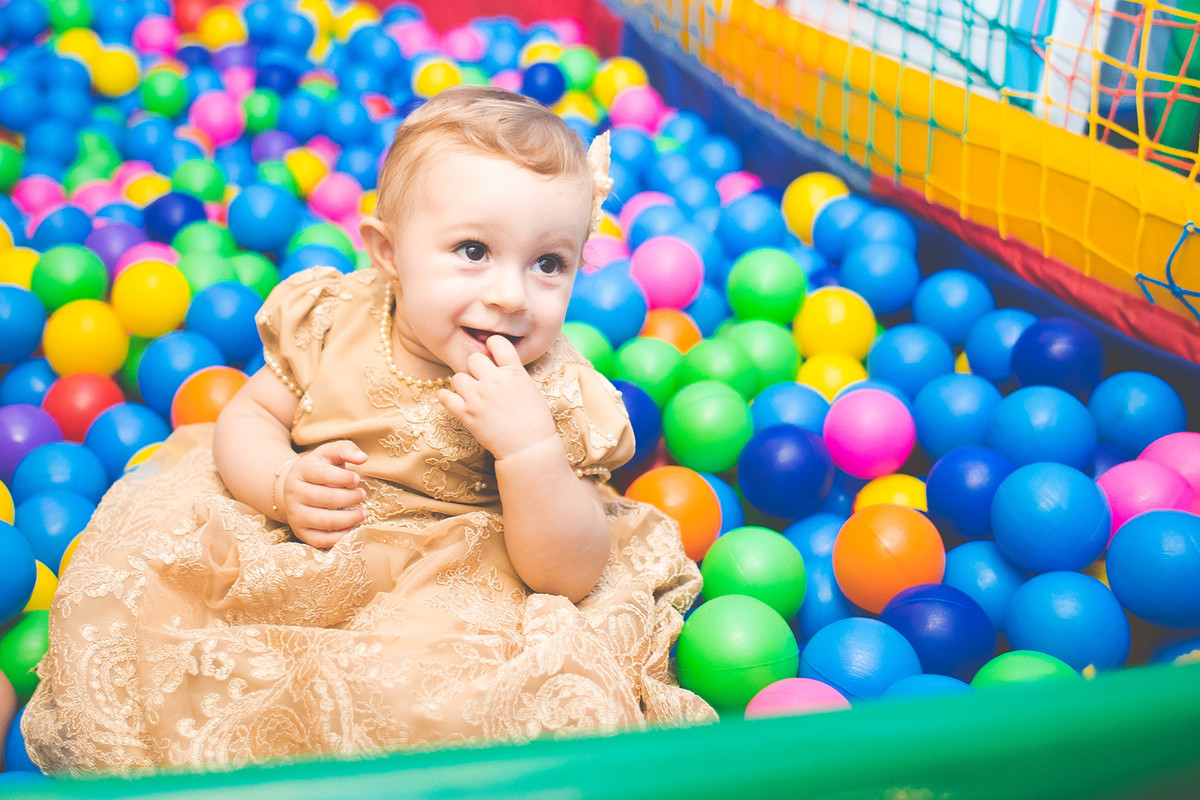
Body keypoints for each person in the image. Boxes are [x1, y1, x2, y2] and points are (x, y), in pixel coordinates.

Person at [21, 86, 715, 773]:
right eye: (473, 250)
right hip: (309, 540)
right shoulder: (334, 319)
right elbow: (251, 416)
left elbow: (568, 573)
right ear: (388, 251)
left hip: (461, 577)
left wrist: (528, 448)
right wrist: (281, 481)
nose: (509, 295)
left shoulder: (553, 392)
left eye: (548, 264)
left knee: (441, 693)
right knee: (131, 590)